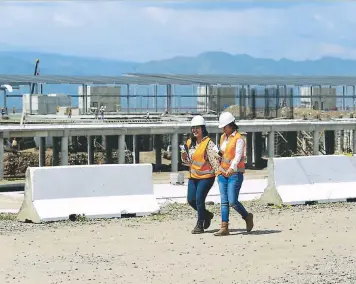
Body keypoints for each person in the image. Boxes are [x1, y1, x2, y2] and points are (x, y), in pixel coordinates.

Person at [214, 111, 254, 236]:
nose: (223, 130)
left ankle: (247, 217)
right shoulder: (223, 138)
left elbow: (237, 156)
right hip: (222, 173)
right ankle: (224, 227)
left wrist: (232, 168)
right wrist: (217, 154)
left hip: (235, 174)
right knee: (224, 201)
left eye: (224, 127)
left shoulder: (239, 139)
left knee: (232, 201)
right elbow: (223, 152)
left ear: (231, 125)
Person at [181, 115, 220, 234]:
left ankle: (200, 225)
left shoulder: (209, 143)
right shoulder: (189, 143)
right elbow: (188, 162)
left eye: (197, 128)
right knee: (191, 200)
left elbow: (214, 160)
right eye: (193, 128)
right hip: (194, 176)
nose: (194, 130)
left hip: (207, 177)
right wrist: (184, 158)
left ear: (203, 128)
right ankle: (207, 215)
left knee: (199, 199)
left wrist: (219, 174)